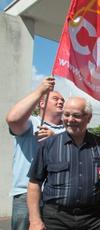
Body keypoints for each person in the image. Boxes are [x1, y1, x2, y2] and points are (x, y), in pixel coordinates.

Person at [27, 97, 100, 229]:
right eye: (66, 114)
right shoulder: (49, 145)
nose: (70, 119)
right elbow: (34, 183)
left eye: (76, 115)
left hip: (94, 218)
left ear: (88, 117)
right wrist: (35, 220)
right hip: (56, 218)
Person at [5, 77, 65, 230]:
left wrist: (55, 139)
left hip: (58, 195)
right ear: (42, 104)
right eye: (55, 98)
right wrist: (40, 91)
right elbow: (12, 119)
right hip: (26, 194)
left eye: (62, 100)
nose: (60, 102)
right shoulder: (30, 122)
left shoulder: (67, 131)